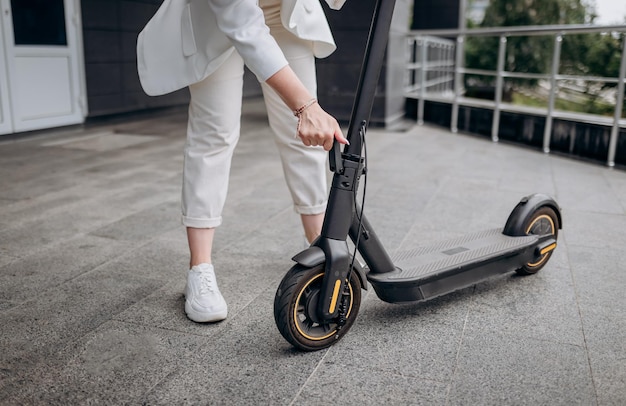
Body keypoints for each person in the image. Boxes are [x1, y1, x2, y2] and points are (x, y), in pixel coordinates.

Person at [137, 0, 348, 323]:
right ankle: (200, 268)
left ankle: (322, 250)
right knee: (214, 136)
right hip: (217, 18)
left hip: (285, 14)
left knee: (304, 138)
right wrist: (306, 106)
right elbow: (243, 24)